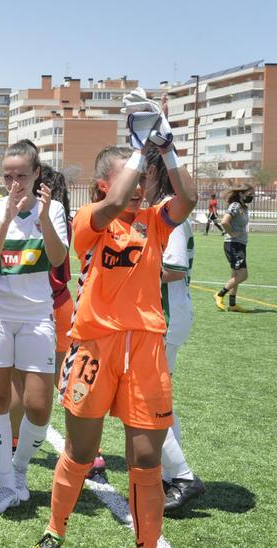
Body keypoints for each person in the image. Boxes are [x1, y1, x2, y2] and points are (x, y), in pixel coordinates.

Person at [38, 137, 196, 547]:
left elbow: (189, 197)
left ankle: (146, 542)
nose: (140, 186)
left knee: (145, 460)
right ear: (103, 184)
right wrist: (140, 151)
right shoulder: (92, 216)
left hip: (146, 348)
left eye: (144, 179)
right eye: (131, 177)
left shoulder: (156, 219)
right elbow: (112, 206)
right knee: (81, 452)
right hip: (95, 345)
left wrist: (166, 152)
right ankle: (55, 529)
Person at [0, 140, 68, 514]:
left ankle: (20, 470)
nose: (15, 182)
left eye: (22, 175)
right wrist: (9, 216)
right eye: (8, 176)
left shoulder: (55, 208)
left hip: (36, 316)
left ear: (36, 174)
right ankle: (6, 485)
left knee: (39, 406)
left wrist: (42, 217)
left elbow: (59, 259)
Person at [144, 149, 206, 512]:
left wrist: (127, 271)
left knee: (148, 400)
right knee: (159, 400)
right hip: (162, 316)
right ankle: (173, 476)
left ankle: (182, 476)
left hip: (164, 316)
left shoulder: (171, 210)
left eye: (140, 173)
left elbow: (174, 267)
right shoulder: (166, 208)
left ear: (152, 170)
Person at [214, 184, 254, 312]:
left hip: (240, 244)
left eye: (253, 194)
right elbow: (224, 221)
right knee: (243, 275)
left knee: (235, 274)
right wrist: (232, 233)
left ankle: (232, 304)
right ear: (241, 194)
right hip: (233, 244)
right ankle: (219, 294)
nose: (252, 196)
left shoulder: (244, 207)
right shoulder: (235, 205)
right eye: (249, 194)